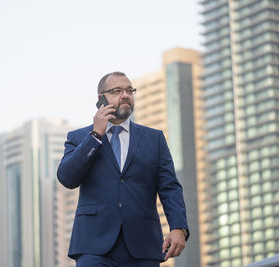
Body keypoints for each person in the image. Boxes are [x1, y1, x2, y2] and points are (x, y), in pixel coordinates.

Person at [57, 71, 189, 267]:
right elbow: (67, 178)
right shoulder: (79, 137)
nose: (125, 95)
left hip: (142, 245)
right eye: (117, 91)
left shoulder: (154, 139)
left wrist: (179, 227)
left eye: (129, 90)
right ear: (101, 99)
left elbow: (169, 187)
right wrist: (95, 135)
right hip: (93, 246)